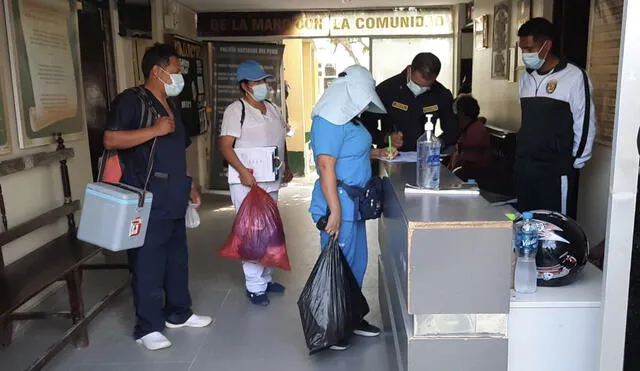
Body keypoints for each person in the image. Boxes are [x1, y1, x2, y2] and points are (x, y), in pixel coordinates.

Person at [103, 43, 212, 351]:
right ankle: (148, 326)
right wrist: (154, 130)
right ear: (158, 71)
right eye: (176, 71)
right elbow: (110, 138)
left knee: (177, 259)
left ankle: (179, 312)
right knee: (148, 261)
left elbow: (179, 150)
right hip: (145, 194)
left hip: (174, 192)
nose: (180, 77)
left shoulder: (171, 105)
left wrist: (189, 184)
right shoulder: (132, 101)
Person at [309, 65, 398, 351]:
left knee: (357, 263)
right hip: (339, 203)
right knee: (340, 265)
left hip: (354, 203)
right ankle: (332, 326)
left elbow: (353, 150)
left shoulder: (351, 119)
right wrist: (334, 211)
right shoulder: (327, 120)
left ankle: (352, 316)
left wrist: (378, 152)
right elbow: (326, 167)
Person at [218, 60, 293, 306]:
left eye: (263, 81)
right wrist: (242, 172)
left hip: (271, 180)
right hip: (247, 182)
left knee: (270, 230)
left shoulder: (271, 108)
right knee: (252, 233)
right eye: (256, 82)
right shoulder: (235, 110)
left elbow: (281, 141)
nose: (262, 85)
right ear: (244, 85)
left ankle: (267, 278)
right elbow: (225, 146)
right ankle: (255, 286)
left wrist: (288, 167)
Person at [516, 18, 596, 219]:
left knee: (555, 223)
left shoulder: (574, 76)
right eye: (522, 49)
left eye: (529, 48)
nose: (525, 54)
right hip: (525, 166)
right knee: (526, 221)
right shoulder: (526, 77)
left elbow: (584, 120)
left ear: (546, 45)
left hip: (555, 168)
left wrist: (576, 160)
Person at [361, 52, 458, 152]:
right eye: (416, 84)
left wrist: (439, 142)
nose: (421, 88)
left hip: (425, 157)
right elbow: (364, 125)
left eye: (426, 87)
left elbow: (452, 129)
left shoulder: (441, 94)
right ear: (410, 70)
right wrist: (386, 138)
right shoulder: (386, 90)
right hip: (390, 155)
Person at [448, 95, 491, 180]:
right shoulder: (468, 127)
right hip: (457, 174)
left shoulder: (476, 131)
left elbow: (469, 163)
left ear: (461, 112)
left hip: (469, 177)